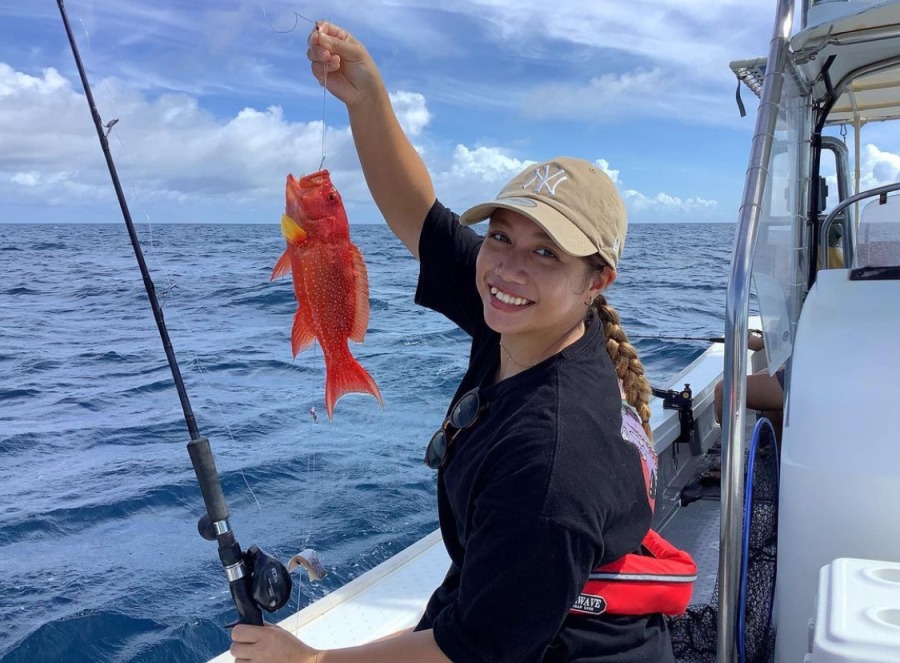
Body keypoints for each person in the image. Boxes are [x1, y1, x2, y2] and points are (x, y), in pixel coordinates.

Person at [230, 21, 674, 663]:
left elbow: (475, 650)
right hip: (509, 609)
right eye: (501, 237)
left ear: (595, 281)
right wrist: (366, 99)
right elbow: (423, 218)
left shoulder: (552, 459)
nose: (510, 267)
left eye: (546, 252)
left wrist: (312, 662)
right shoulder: (523, 319)